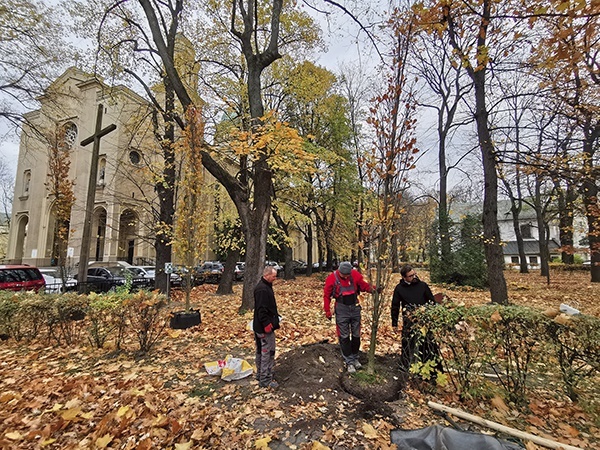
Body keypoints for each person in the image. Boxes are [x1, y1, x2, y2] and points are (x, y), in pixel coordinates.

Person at [323, 261, 379, 373]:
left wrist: (374, 289)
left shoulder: (355, 275)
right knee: (344, 336)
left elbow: (363, 286)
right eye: (344, 275)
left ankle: (355, 357)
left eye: (348, 275)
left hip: (355, 307)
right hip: (341, 308)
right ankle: (349, 362)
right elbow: (327, 295)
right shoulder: (331, 279)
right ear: (339, 272)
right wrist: (327, 311)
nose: (346, 277)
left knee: (356, 334)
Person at [391, 264, 443, 377]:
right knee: (408, 343)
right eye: (410, 276)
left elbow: (431, 302)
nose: (414, 277)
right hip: (409, 320)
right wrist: (394, 323)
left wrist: (431, 315)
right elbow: (395, 306)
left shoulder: (423, 286)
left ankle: (433, 369)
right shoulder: (399, 289)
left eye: (414, 274)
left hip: (424, 319)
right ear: (404, 277)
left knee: (428, 342)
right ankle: (406, 366)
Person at [253, 266, 280, 389]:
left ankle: (260, 374)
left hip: (260, 325)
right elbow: (261, 310)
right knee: (267, 352)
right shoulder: (262, 290)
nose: (275, 278)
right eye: (274, 276)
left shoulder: (265, 286)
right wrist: (267, 325)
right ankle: (265, 379)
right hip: (264, 327)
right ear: (267, 275)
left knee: (260, 350)